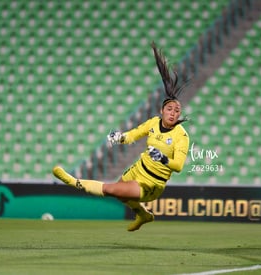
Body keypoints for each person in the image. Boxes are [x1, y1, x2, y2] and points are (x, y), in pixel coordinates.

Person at [52, 42, 190, 231]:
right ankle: (143, 215)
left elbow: (179, 166)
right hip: (137, 169)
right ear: (162, 110)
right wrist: (119, 138)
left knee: (110, 189)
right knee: (121, 195)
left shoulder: (181, 136)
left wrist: (163, 158)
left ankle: (72, 181)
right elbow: (133, 135)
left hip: (152, 183)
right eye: (170, 109)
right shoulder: (152, 123)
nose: (173, 113)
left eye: (177, 110)